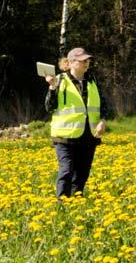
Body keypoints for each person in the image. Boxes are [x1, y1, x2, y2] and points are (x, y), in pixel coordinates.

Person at [44, 46, 109, 198]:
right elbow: (49, 107)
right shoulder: (59, 80)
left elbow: (103, 105)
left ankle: (77, 202)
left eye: (87, 60)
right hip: (64, 136)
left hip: (89, 134)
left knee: (82, 172)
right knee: (66, 171)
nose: (86, 63)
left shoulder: (93, 81)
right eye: (81, 61)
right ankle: (62, 204)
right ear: (70, 63)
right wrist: (52, 87)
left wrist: (102, 121)